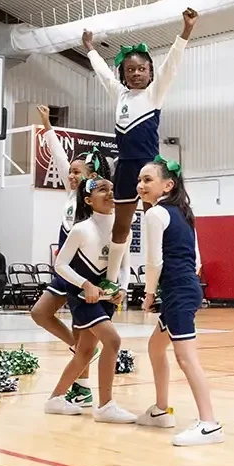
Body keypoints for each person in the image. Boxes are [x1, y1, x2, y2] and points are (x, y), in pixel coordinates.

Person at [83, 8, 197, 291]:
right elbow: (103, 74)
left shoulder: (155, 93)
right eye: (130, 70)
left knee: (155, 223)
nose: (136, 73)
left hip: (149, 168)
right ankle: (111, 281)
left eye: (141, 69)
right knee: (121, 227)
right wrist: (90, 49)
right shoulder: (119, 94)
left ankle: (158, 283)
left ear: (150, 72)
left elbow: (171, 64)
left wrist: (186, 31)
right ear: (123, 73)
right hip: (125, 167)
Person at [136, 158, 223, 446]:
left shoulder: (155, 213)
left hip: (178, 291)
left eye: (148, 180)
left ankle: (209, 424)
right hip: (186, 287)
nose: (141, 185)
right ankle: (161, 410)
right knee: (155, 346)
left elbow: (154, 261)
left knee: (186, 358)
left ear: (167, 185)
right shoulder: (185, 214)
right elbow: (197, 260)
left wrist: (149, 294)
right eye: (139, 180)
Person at [29, 104, 105, 409]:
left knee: (80, 326)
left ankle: (82, 390)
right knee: (40, 313)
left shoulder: (99, 203)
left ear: (92, 176)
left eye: (77, 172)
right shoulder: (72, 195)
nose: (71, 175)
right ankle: (80, 349)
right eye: (70, 172)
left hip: (84, 272)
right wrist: (48, 127)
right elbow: (60, 158)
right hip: (65, 269)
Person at [46, 178, 130, 422]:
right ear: (88, 200)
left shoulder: (122, 227)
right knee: (112, 340)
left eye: (112, 189)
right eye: (102, 190)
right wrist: (85, 284)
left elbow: (124, 265)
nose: (110, 193)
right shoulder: (81, 229)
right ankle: (105, 406)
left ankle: (55, 399)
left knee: (84, 352)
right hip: (82, 297)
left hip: (106, 299)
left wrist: (123, 289)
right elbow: (60, 264)